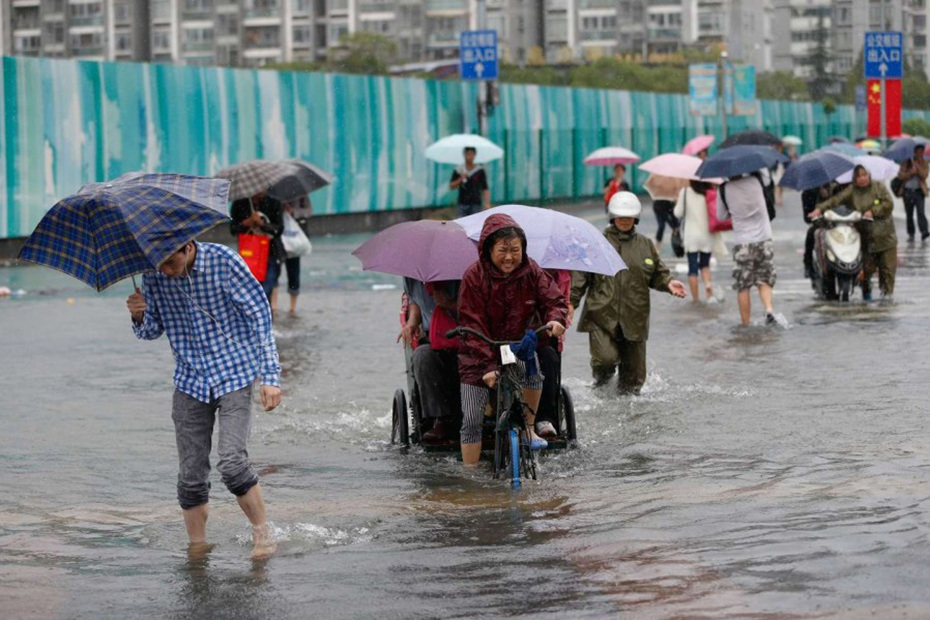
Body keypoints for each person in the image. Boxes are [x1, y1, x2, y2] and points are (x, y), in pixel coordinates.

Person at [125, 240, 281, 560]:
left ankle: (263, 534)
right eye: (160, 264)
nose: (165, 271)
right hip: (189, 380)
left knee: (232, 464)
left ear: (187, 246)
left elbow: (260, 316)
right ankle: (198, 547)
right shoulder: (154, 273)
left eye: (170, 262)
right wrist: (139, 315)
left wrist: (270, 378)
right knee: (190, 477)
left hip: (235, 371)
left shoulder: (224, 261)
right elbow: (152, 331)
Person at [457, 214, 568, 466]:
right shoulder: (474, 276)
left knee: (534, 373)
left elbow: (554, 299)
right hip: (476, 354)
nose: (509, 257)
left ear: (523, 249)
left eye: (515, 250)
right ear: (488, 249)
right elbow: (470, 322)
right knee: (472, 420)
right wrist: (486, 366)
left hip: (514, 347)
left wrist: (555, 319)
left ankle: (528, 429)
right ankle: (470, 475)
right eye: (503, 251)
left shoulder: (532, 271)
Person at [571, 192, 687, 394]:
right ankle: (601, 386)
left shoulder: (645, 245)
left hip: (635, 316)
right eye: (620, 216)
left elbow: (657, 273)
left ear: (636, 218)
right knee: (605, 360)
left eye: (629, 217)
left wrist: (668, 283)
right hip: (601, 314)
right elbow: (580, 277)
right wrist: (570, 304)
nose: (624, 221)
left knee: (633, 381)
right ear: (612, 217)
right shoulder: (596, 243)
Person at [811, 165, 897, 300]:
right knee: (866, 269)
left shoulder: (879, 187)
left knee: (887, 270)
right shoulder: (852, 191)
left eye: (864, 175)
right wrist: (819, 209)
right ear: (855, 179)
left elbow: (889, 204)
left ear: (869, 176)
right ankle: (866, 293)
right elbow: (836, 200)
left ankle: (887, 298)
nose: (862, 179)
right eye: (859, 176)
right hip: (866, 237)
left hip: (885, 236)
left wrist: (873, 211)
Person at [718, 172, 784, 326]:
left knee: (743, 285)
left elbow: (721, 216)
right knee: (765, 278)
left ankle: (746, 324)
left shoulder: (723, 189)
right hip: (763, 238)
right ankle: (769, 310)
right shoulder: (756, 180)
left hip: (742, 242)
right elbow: (769, 180)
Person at [411, 280, 462, 441]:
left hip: (471, 333)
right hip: (434, 337)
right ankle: (440, 419)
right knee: (422, 356)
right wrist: (411, 323)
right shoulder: (413, 277)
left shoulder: (472, 273)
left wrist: (450, 304)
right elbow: (414, 301)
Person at [535, 269, 573, 438]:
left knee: (548, 359)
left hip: (545, 333)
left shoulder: (561, 276)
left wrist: (556, 321)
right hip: (506, 334)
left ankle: (545, 418)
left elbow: (561, 305)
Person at [230, 194, 286, 309]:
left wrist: (262, 224)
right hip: (249, 254)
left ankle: (266, 322)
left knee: (265, 291)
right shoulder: (240, 203)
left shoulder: (274, 202)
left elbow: (279, 229)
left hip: (271, 253)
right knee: (250, 289)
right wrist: (247, 223)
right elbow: (233, 229)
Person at [673, 180, 720, 302]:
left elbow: (678, 213)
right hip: (707, 234)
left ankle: (696, 299)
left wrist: (676, 201)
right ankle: (708, 284)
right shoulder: (709, 192)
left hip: (691, 236)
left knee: (693, 268)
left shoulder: (685, 192)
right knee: (705, 264)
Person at [273, 196, 310, 318]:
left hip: (294, 241)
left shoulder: (300, 194)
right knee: (274, 272)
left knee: (294, 272)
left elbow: (308, 211)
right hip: (277, 238)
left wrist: (293, 211)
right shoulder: (273, 194)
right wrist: (280, 210)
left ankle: (292, 307)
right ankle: (274, 306)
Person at [801, 183, 834, 280]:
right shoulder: (808, 192)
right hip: (819, 223)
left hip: (836, 221)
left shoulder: (836, 188)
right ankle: (808, 264)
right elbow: (807, 217)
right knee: (811, 234)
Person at [897, 144, 929, 242]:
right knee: (909, 214)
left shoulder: (924, 163)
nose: (920, 155)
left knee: (921, 212)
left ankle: (924, 231)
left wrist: (918, 169)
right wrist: (910, 173)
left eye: (922, 153)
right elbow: (900, 176)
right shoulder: (906, 162)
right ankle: (911, 233)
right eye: (918, 152)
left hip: (919, 192)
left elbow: (924, 176)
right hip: (907, 191)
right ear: (914, 152)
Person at [643, 174, 684, 252]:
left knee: (676, 226)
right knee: (662, 225)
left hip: (670, 204)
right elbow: (650, 185)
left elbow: (677, 190)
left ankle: (678, 246)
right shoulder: (657, 176)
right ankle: (658, 245)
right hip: (658, 205)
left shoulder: (675, 178)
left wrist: (676, 197)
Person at [449, 147, 490, 217]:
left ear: (475, 155)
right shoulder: (459, 170)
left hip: (476, 203)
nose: (470, 156)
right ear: (464, 155)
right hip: (462, 203)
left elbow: (485, 188)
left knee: (475, 224)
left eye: (472, 154)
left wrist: (487, 203)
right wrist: (460, 179)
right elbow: (451, 186)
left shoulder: (479, 170)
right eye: (468, 154)